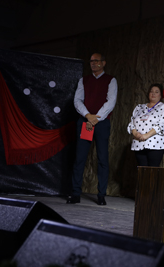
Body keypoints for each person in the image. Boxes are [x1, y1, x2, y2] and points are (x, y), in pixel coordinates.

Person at [67, 53, 117, 206]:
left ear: (103, 63)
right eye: (91, 61)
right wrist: (88, 116)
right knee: (80, 158)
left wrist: (96, 118)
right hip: (86, 122)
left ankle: (101, 194)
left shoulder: (111, 80)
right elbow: (77, 100)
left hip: (100, 123)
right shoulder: (84, 80)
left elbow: (111, 102)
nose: (93, 64)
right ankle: (75, 193)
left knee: (102, 159)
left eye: (96, 61)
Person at [128, 83, 164, 167]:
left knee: (152, 170)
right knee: (142, 170)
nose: (153, 94)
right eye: (151, 91)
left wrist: (146, 136)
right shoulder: (139, 107)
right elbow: (131, 122)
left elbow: (163, 124)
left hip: (155, 143)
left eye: (156, 92)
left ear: (161, 95)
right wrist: (136, 133)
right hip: (138, 142)